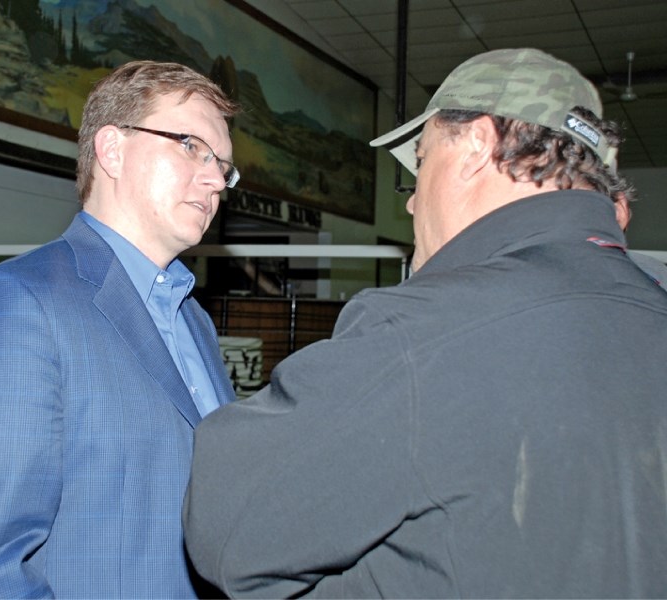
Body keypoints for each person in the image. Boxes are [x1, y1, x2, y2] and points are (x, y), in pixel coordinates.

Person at [182, 48, 667, 598]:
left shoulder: (426, 329)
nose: (412, 204)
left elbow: (227, 526)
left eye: (423, 158)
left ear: (476, 147)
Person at [0, 60, 238, 597]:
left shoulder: (194, 320)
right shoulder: (19, 305)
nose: (213, 179)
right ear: (112, 150)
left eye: (223, 166)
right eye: (189, 145)